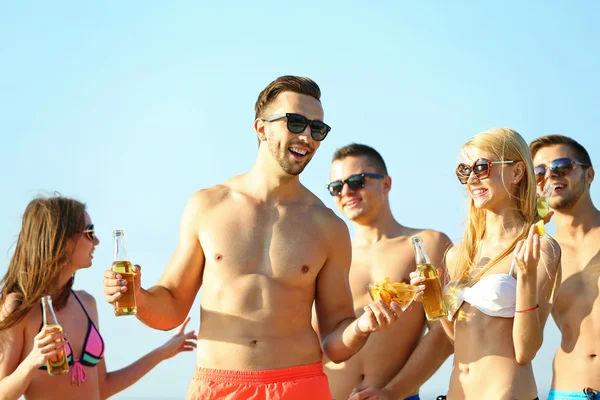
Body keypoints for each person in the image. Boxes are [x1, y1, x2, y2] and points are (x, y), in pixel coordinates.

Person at [101, 75, 402, 400]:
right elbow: (172, 306)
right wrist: (137, 297)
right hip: (218, 387)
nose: (307, 136)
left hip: (300, 387)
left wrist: (360, 327)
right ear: (261, 128)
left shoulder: (328, 227)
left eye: (317, 129)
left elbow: (334, 341)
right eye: (296, 122)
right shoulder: (208, 206)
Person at [411, 128, 561, 400]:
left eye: (482, 167)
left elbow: (526, 351)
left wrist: (525, 279)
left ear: (516, 173)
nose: (471, 179)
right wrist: (432, 299)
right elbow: (460, 340)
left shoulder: (538, 247)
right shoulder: (459, 254)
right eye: (464, 171)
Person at [0, 195, 197, 400]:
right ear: (62, 238)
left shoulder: (87, 303)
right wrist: (32, 361)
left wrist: (164, 351)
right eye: (89, 232)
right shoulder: (18, 306)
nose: (97, 241)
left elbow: (103, 387)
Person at [317, 143, 453, 400]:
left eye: (357, 181)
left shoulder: (427, 244)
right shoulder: (327, 256)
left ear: (386, 184)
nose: (346, 191)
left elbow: (445, 333)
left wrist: (392, 392)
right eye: (336, 187)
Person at [529, 134, 599, 400]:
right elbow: (524, 339)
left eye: (561, 166)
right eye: (539, 172)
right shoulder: (538, 252)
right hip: (568, 391)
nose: (550, 176)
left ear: (589, 174)